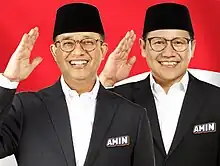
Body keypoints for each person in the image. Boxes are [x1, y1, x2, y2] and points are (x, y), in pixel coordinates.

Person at [0, 3, 155, 166]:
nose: (78, 51)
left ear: (102, 50)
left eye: (88, 42)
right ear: (54, 52)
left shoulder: (133, 116)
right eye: (68, 43)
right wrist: (9, 79)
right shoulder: (25, 108)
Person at [100, 2, 220, 166]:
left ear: (192, 47)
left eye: (178, 42)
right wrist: (106, 81)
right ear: (143, 47)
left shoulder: (216, 99)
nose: (169, 53)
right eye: (158, 42)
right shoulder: (120, 98)